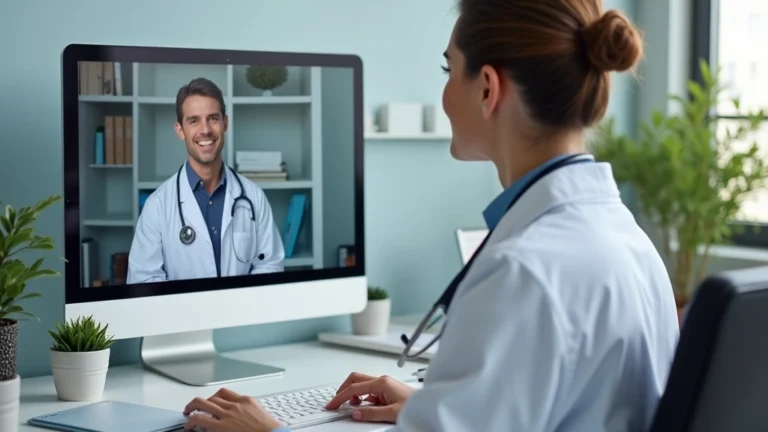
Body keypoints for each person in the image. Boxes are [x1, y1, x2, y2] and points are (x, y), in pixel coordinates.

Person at [180, 0, 680, 430]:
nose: (444, 94)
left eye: (448, 70)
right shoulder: (628, 241)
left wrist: (272, 429)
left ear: (487, 88)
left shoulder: (521, 270)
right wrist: (435, 407)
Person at [127, 78, 284, 283]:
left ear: (225, 123)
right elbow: (143, 282)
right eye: (194, 120)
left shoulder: (254, 197)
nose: (205, 130)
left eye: (213, 118)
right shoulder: (157, 205)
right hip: (182, 315)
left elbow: (270, 266)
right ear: (180, 130)